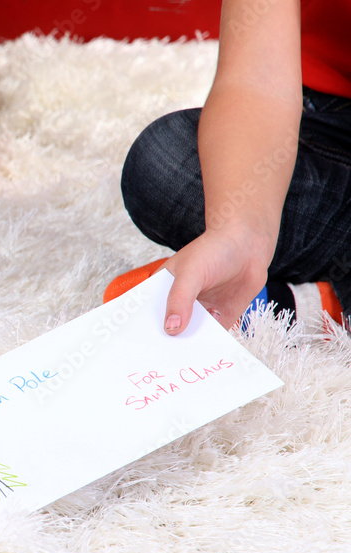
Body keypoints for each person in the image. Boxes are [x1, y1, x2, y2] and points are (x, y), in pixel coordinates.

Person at [108, 0, 351, 335]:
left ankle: (309, 306)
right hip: (326, 115)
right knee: (166, 165)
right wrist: (238, 231)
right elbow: (255, 83)